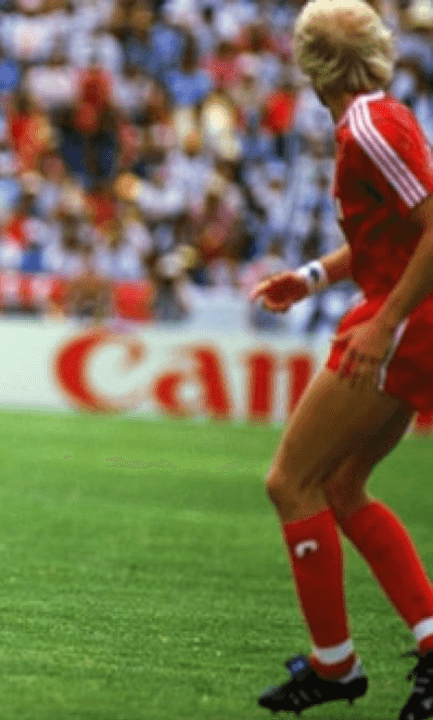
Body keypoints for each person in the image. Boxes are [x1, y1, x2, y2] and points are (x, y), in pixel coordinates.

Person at [249, 2, 433, 717]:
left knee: (290, 481)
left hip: (405, 317)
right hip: (408, 314)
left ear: (309, 65)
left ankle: (335, 667)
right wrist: (314, 276)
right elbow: (390, 232)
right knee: (343, 483)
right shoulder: (380, 119)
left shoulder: (366, 129)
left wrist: (383, 324)